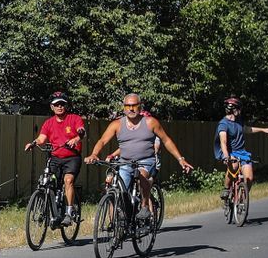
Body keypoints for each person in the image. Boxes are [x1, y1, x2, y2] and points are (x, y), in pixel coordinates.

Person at [85, 93, 193, 220]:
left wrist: (181, 159)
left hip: (146, 161)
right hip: (125, 162)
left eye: (134, 105)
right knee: (120, 189)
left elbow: (166, 140)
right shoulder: (117, 124)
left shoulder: (150, 122)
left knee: (142, 176)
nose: (131, 109)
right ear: (124, 108)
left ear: (140, 107)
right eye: (128, 106)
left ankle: (145, 206)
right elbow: (102, 141)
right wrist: (94, 154)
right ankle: (123, 217)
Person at [23, 91, 86, 226]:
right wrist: (33, 144)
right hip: (55, 157)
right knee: (48, 181)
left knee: (68, 180)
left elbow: (81, 131)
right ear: (52, 107)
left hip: (72, 157)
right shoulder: (49, 123)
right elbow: (42, 138)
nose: (59, 107)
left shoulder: (74, 118)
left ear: (66, 105)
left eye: (62, 104)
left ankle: (69, 212)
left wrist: (76, 138)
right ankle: (52, 210)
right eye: (56, 104)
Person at [214, 97, 268, 202]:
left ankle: (241, 200)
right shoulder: (223, 124)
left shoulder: (239, 121)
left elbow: (247, 129)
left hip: (241, 152)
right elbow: (223, 142)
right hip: (228, 152)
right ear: (233, 109)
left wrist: (263, 130)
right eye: (238, 108)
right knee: (234, 165)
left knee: (249, 178)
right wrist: (227, 156)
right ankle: (226, 188)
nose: (240, 111)